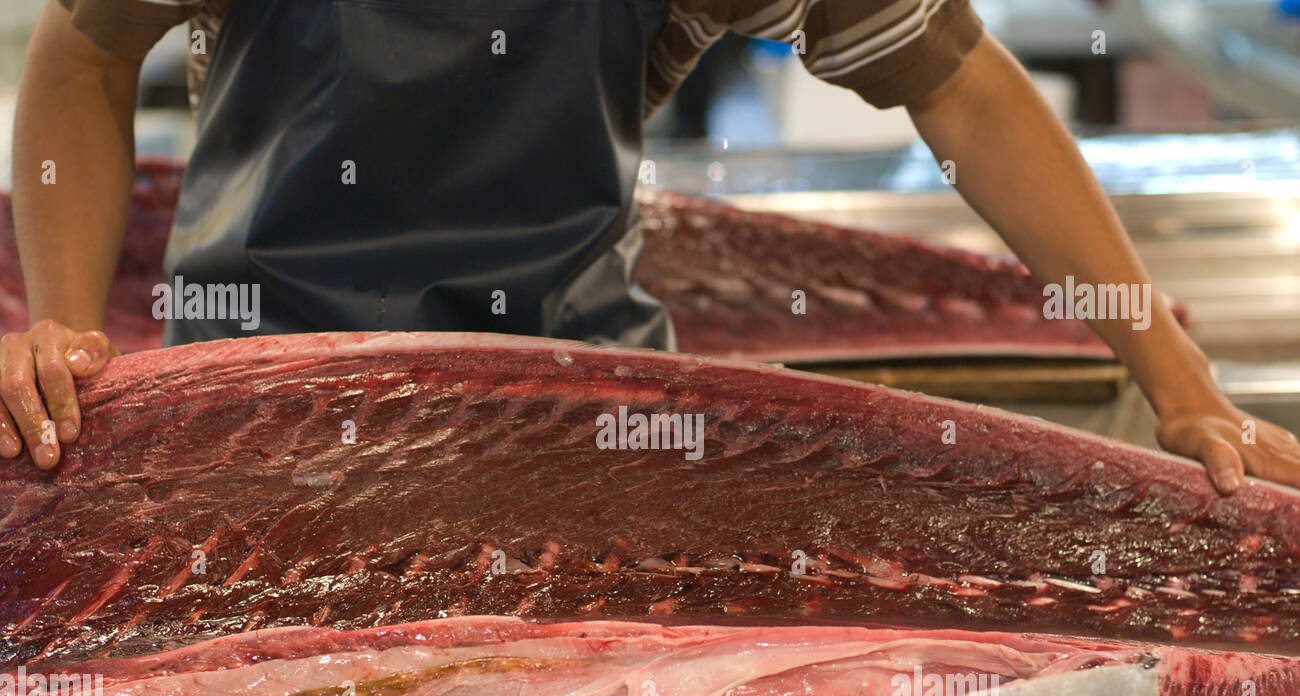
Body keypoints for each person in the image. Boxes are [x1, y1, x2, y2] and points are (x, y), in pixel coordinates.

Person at [4, 0, 1299, 494]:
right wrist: (65, 327)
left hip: (585, 430)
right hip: (259, 428)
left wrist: (1181, 385)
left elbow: (957, 82)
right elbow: (83, 47)